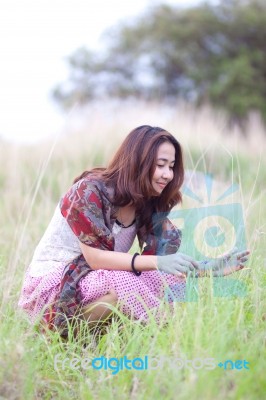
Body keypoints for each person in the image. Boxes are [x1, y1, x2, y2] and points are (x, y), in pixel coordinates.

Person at [18, 125, 249, 338]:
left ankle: (126, 337)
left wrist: (209, 269)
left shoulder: (146, 201)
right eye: (160, 165)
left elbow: (165, 263)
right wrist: (157, 263)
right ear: (137, 162)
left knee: (166, 280)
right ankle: (58, 337)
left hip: (97, 276)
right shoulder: (88, 191)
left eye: (171, 166)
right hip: (54, 284)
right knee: (123, 281)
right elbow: (96, 259)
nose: (168, 175)